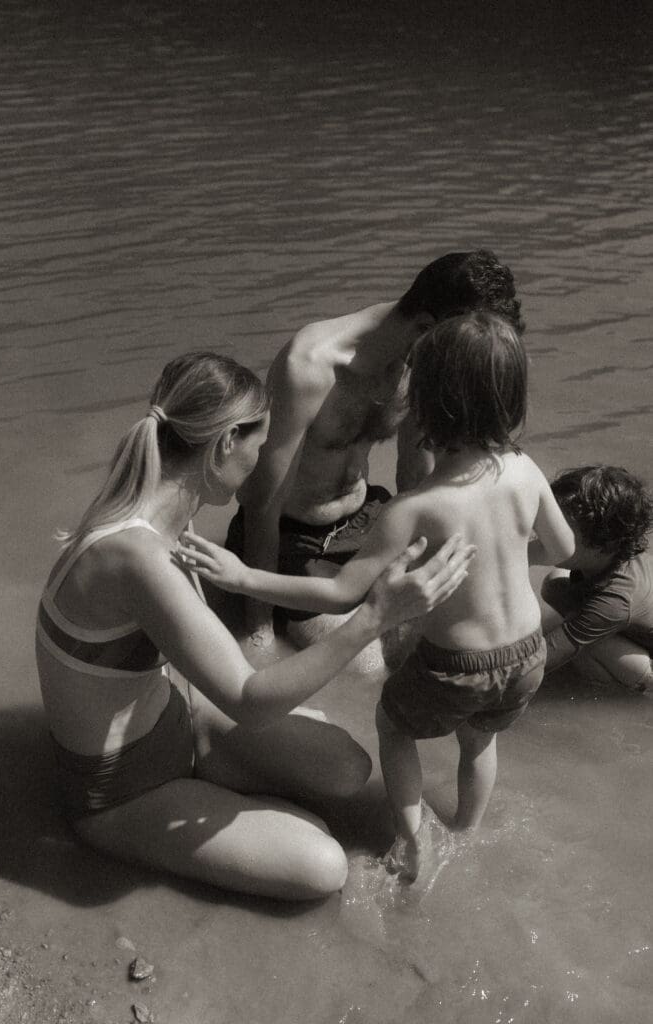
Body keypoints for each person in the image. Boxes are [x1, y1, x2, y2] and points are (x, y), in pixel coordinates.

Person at [35, 351, 475, 902]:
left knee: (347, 768)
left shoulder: (164, 509)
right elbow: (248, 699)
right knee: (323, 866)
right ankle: (209, 812)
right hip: (123, 790)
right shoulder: (137, 556)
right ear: (223, 445)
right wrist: (376, 616)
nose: (268, 463)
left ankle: (237, 794)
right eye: (260, 446)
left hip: (176, 721)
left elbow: (203, 663)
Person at [181, 314, 575, 882]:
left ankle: (412, 843)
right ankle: (468, 828)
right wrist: (503, 554)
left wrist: (244, 578)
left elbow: (341, 593)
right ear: (514, 397)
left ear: (428, 404)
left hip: (456, 666)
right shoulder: (525, 469)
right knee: (479, 739)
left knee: (394, 728)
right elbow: (560, 548)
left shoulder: (416, 509)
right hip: (526, 655)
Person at [226, 250, 524, 654]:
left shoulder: (422, 361)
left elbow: (417, 476)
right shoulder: (310, 366)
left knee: (470, 626)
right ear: (425, 326)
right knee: (368, 667)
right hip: (295, 539)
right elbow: (263, 502)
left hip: (371, 520)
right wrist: (258, 633)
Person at [540, 465, 653, 693]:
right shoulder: (617, 550)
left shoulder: (615, 601)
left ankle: (628, 690)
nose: (547, 533)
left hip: (645, 661)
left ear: (603, 546)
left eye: (561, 529)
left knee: (587, 647)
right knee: (554, 583)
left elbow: (541, 659)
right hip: (626, 615)